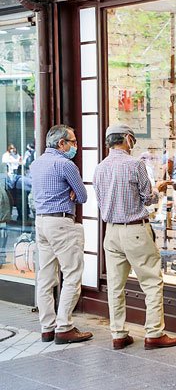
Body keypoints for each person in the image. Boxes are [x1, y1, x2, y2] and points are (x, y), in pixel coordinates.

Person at [93, 124, 176, 350]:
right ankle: (154, 333)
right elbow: (148, 199)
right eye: (132, 138)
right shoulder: (135, 165)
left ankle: (119, 334)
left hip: (111, 231)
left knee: (115, 285)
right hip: (135, 230)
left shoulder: (100, 167)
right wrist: (158, 189)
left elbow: (101, 201)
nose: (133, 142)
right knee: (151, 282)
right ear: (126, 138)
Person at [29, 124, 92, 344]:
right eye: (73, 142)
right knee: (72, 274)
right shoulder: (65, 164)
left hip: (41, 222)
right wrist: (72, 191)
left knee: (45, 278)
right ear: (61, 143)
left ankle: (47, 327)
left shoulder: (36, 164)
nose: (76, 146)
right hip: (62, 222)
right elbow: (83, 196)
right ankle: (64, 327)